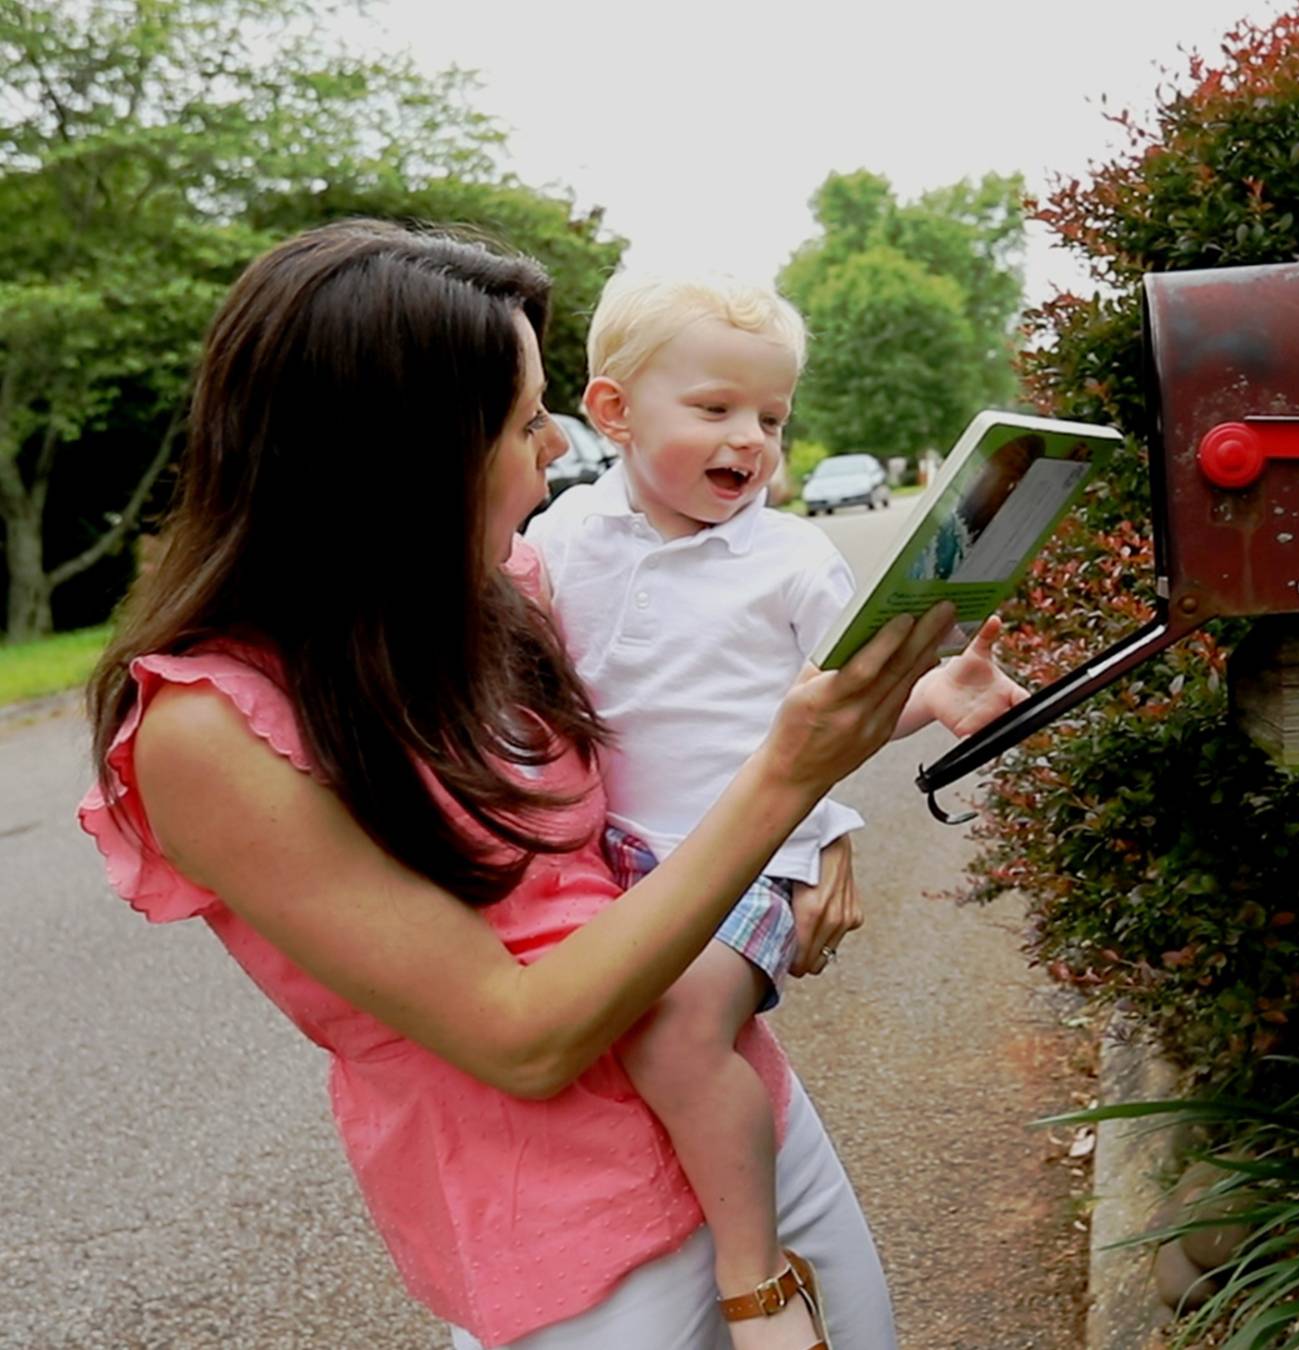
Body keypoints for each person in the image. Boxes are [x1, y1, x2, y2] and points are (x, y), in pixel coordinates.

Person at [78, 220, 957, 1349]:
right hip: (572, 1241)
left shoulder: (505, 593)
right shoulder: (204, 731)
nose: (554, 445)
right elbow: (522, 1037)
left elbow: (693, 720)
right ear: (401, 453)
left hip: (741, 1126)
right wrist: (793, 781)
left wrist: (818, 825)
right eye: (521, 417)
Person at [525, 271, 1024, 1350]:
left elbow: (845, 709)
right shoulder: (560, 542)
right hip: (602, 860)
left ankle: (755, 1281)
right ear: (610, 413)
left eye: (771, 418)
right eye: (714, 410)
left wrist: (931, 694)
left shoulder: (789, 556)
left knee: (672, 1028)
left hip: (747, 861)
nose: (749, 440)